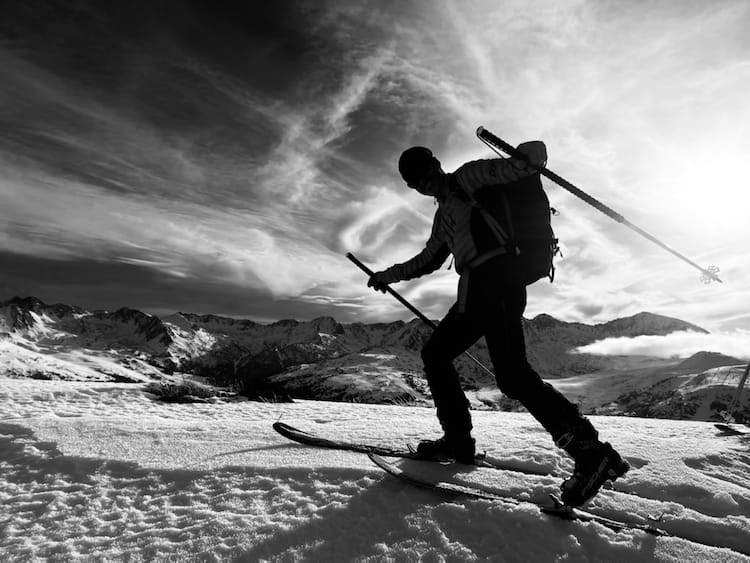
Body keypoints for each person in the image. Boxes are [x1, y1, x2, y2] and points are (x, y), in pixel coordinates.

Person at [367, 143, 629, 506]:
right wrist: (387, 276)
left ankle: (591, 454)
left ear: (437, 164)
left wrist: (529, 153)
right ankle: (458, 441)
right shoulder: (443, 215)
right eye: (416, 183)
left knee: (512, 375)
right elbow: (429, 257)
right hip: (476, 290)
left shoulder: (471, 176)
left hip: (499, 279)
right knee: (437, 353)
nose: (424, 184)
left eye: (426, 174)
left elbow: (523, 166)